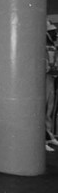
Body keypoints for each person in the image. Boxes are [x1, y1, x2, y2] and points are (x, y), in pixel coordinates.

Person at [45, 20, 58, 151]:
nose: (56, 34)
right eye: (53, 32)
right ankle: (42, 138)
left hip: (50, 79)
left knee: (49, 107)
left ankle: (49, 135)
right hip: (43, 80)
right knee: (42, 109)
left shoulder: (53, 46)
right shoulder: (41, 46)